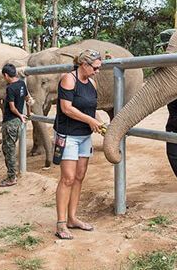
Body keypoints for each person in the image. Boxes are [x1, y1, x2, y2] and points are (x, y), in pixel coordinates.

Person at [53, 49, 103, 240]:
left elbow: (92, 108)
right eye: (96, 68)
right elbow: (67, 109)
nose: (97, 71)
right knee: (68, 178)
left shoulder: (92, 82)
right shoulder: (68, 79)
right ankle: (61, 223)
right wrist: (90, 121)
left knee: (80, 176)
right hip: (68, 135)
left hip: (84, 136)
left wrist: (98, 122)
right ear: (84, 64)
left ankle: (73, 218)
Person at [0, 63, 28, 188]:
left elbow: (12, 107)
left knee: (8, 150)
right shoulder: (22, 83)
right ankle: (12, 174)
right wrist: (27, 112)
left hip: (10, 121)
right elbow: (27, 97)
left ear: (6, 75)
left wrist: (20, 115)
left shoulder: (10, 88)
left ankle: (12, 177)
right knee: (8, 148)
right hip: (16, 122)